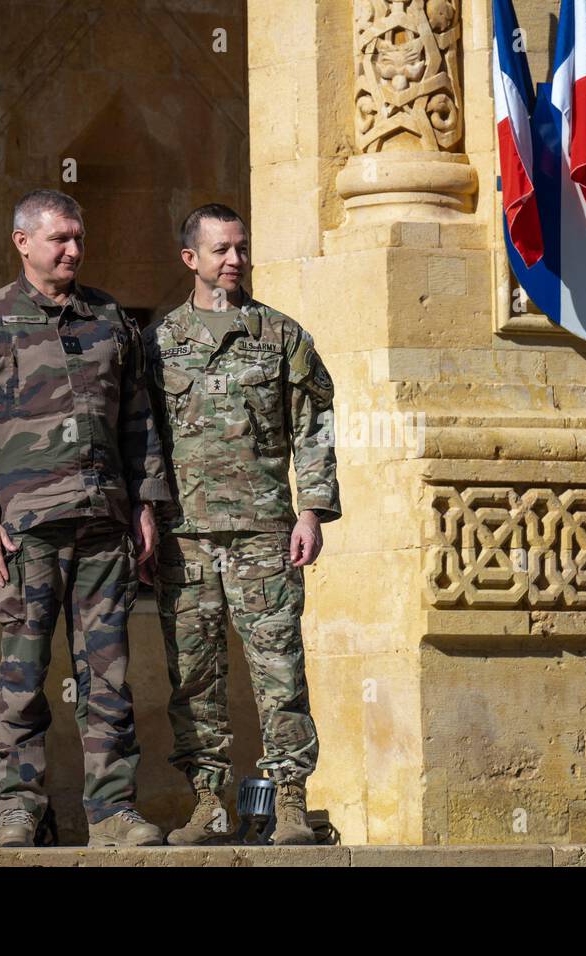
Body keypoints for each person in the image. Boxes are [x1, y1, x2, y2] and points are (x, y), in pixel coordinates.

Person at [0, 189, 169, 848]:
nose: (73, 250)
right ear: (23, 242)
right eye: (58, 239)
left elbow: (139, 418)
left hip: (105, 523)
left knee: (109, 676)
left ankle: (113, 812)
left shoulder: (110, 318)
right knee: (22, 674)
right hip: (24, 531)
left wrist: (148, 504)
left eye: (78, 238)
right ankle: (19, 806)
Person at [145, 203, 340, 846]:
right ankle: (207, 803)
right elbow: (140, 437)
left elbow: (312, 429)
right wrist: (144, 511)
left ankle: (288, 800)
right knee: (194, 676)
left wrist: (311, 508)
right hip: (185, 538)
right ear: (190, 259)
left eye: (241, 248)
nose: (234, 260)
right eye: (221, 249)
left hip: (265, 533)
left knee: (278, 670)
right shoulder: (158, 342)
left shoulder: (281, 336)